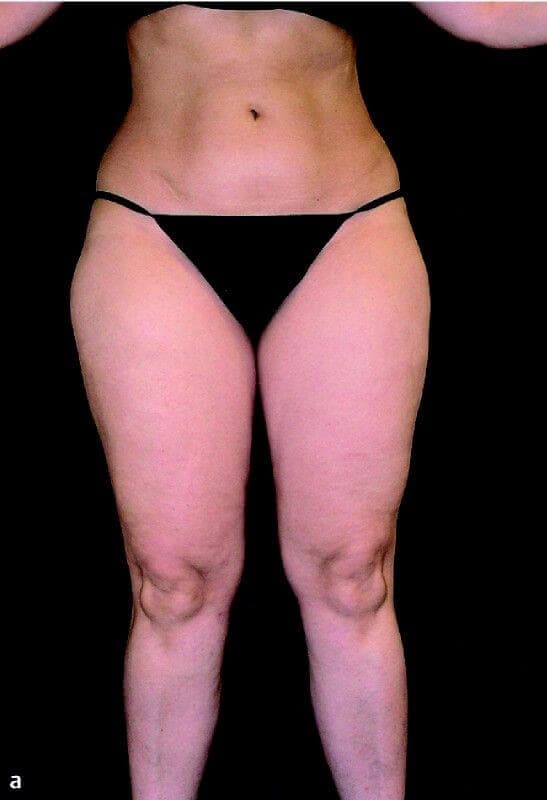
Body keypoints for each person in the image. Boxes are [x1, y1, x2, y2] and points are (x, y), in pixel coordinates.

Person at [1, 3, 545, 799]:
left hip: (350, 224)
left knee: (353, 574)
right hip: (153, 227)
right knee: (172, 584)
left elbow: (491, 13)